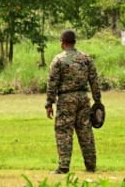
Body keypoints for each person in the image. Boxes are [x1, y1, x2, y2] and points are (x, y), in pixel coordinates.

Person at [45, 30, 100, 174]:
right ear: (74, 42)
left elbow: (52, 82)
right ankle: (91, 165)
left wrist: (49, 103)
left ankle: (63, 166)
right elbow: (94, 80)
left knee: (64, 131)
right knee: (85, 131)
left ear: (62, 43)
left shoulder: (59, 60)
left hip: (66, 99)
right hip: (83, 98)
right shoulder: (85, 58)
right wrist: (97, 100)